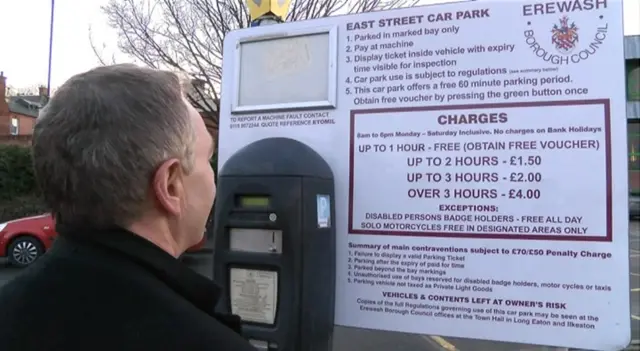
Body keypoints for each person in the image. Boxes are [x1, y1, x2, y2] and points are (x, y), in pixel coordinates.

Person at [0, 64, 256, 351]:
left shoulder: (11, 313)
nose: (213, 178)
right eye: (207, 161)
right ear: (170, 186)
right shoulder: (205, 340)